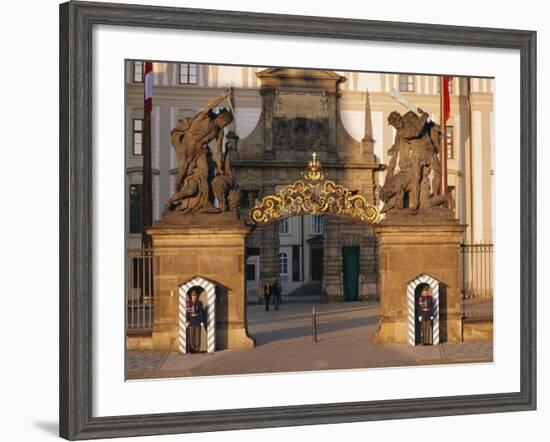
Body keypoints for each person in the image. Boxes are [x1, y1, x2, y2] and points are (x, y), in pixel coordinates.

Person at [186, 289, 206, 353]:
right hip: (191, 320)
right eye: (192, 295)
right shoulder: (188, 303)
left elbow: (201, 312)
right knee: (191, 335)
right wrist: (187, 321)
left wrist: (202, 320)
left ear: (196, 296)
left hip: (197, 320)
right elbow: (187, 313)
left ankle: (197, 349)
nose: (193, 296)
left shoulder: (199, 303)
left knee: (197, 335)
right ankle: (192, 348)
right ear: (191, 296)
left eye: (195, 295)